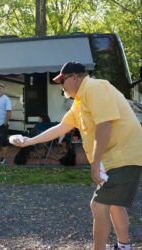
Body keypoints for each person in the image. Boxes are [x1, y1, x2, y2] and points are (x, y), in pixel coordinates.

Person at [10, 61, 142, 250]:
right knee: (114, 203)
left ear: (74, 77)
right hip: (117, 159)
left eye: (62, 80)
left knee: (98, 205)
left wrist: (95, 165)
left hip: (124, 155)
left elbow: (105, 125)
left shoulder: (94, 87)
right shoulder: (80, 102)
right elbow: (62, 127)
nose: (61, 86)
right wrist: (28, 141)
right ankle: (124, 246)